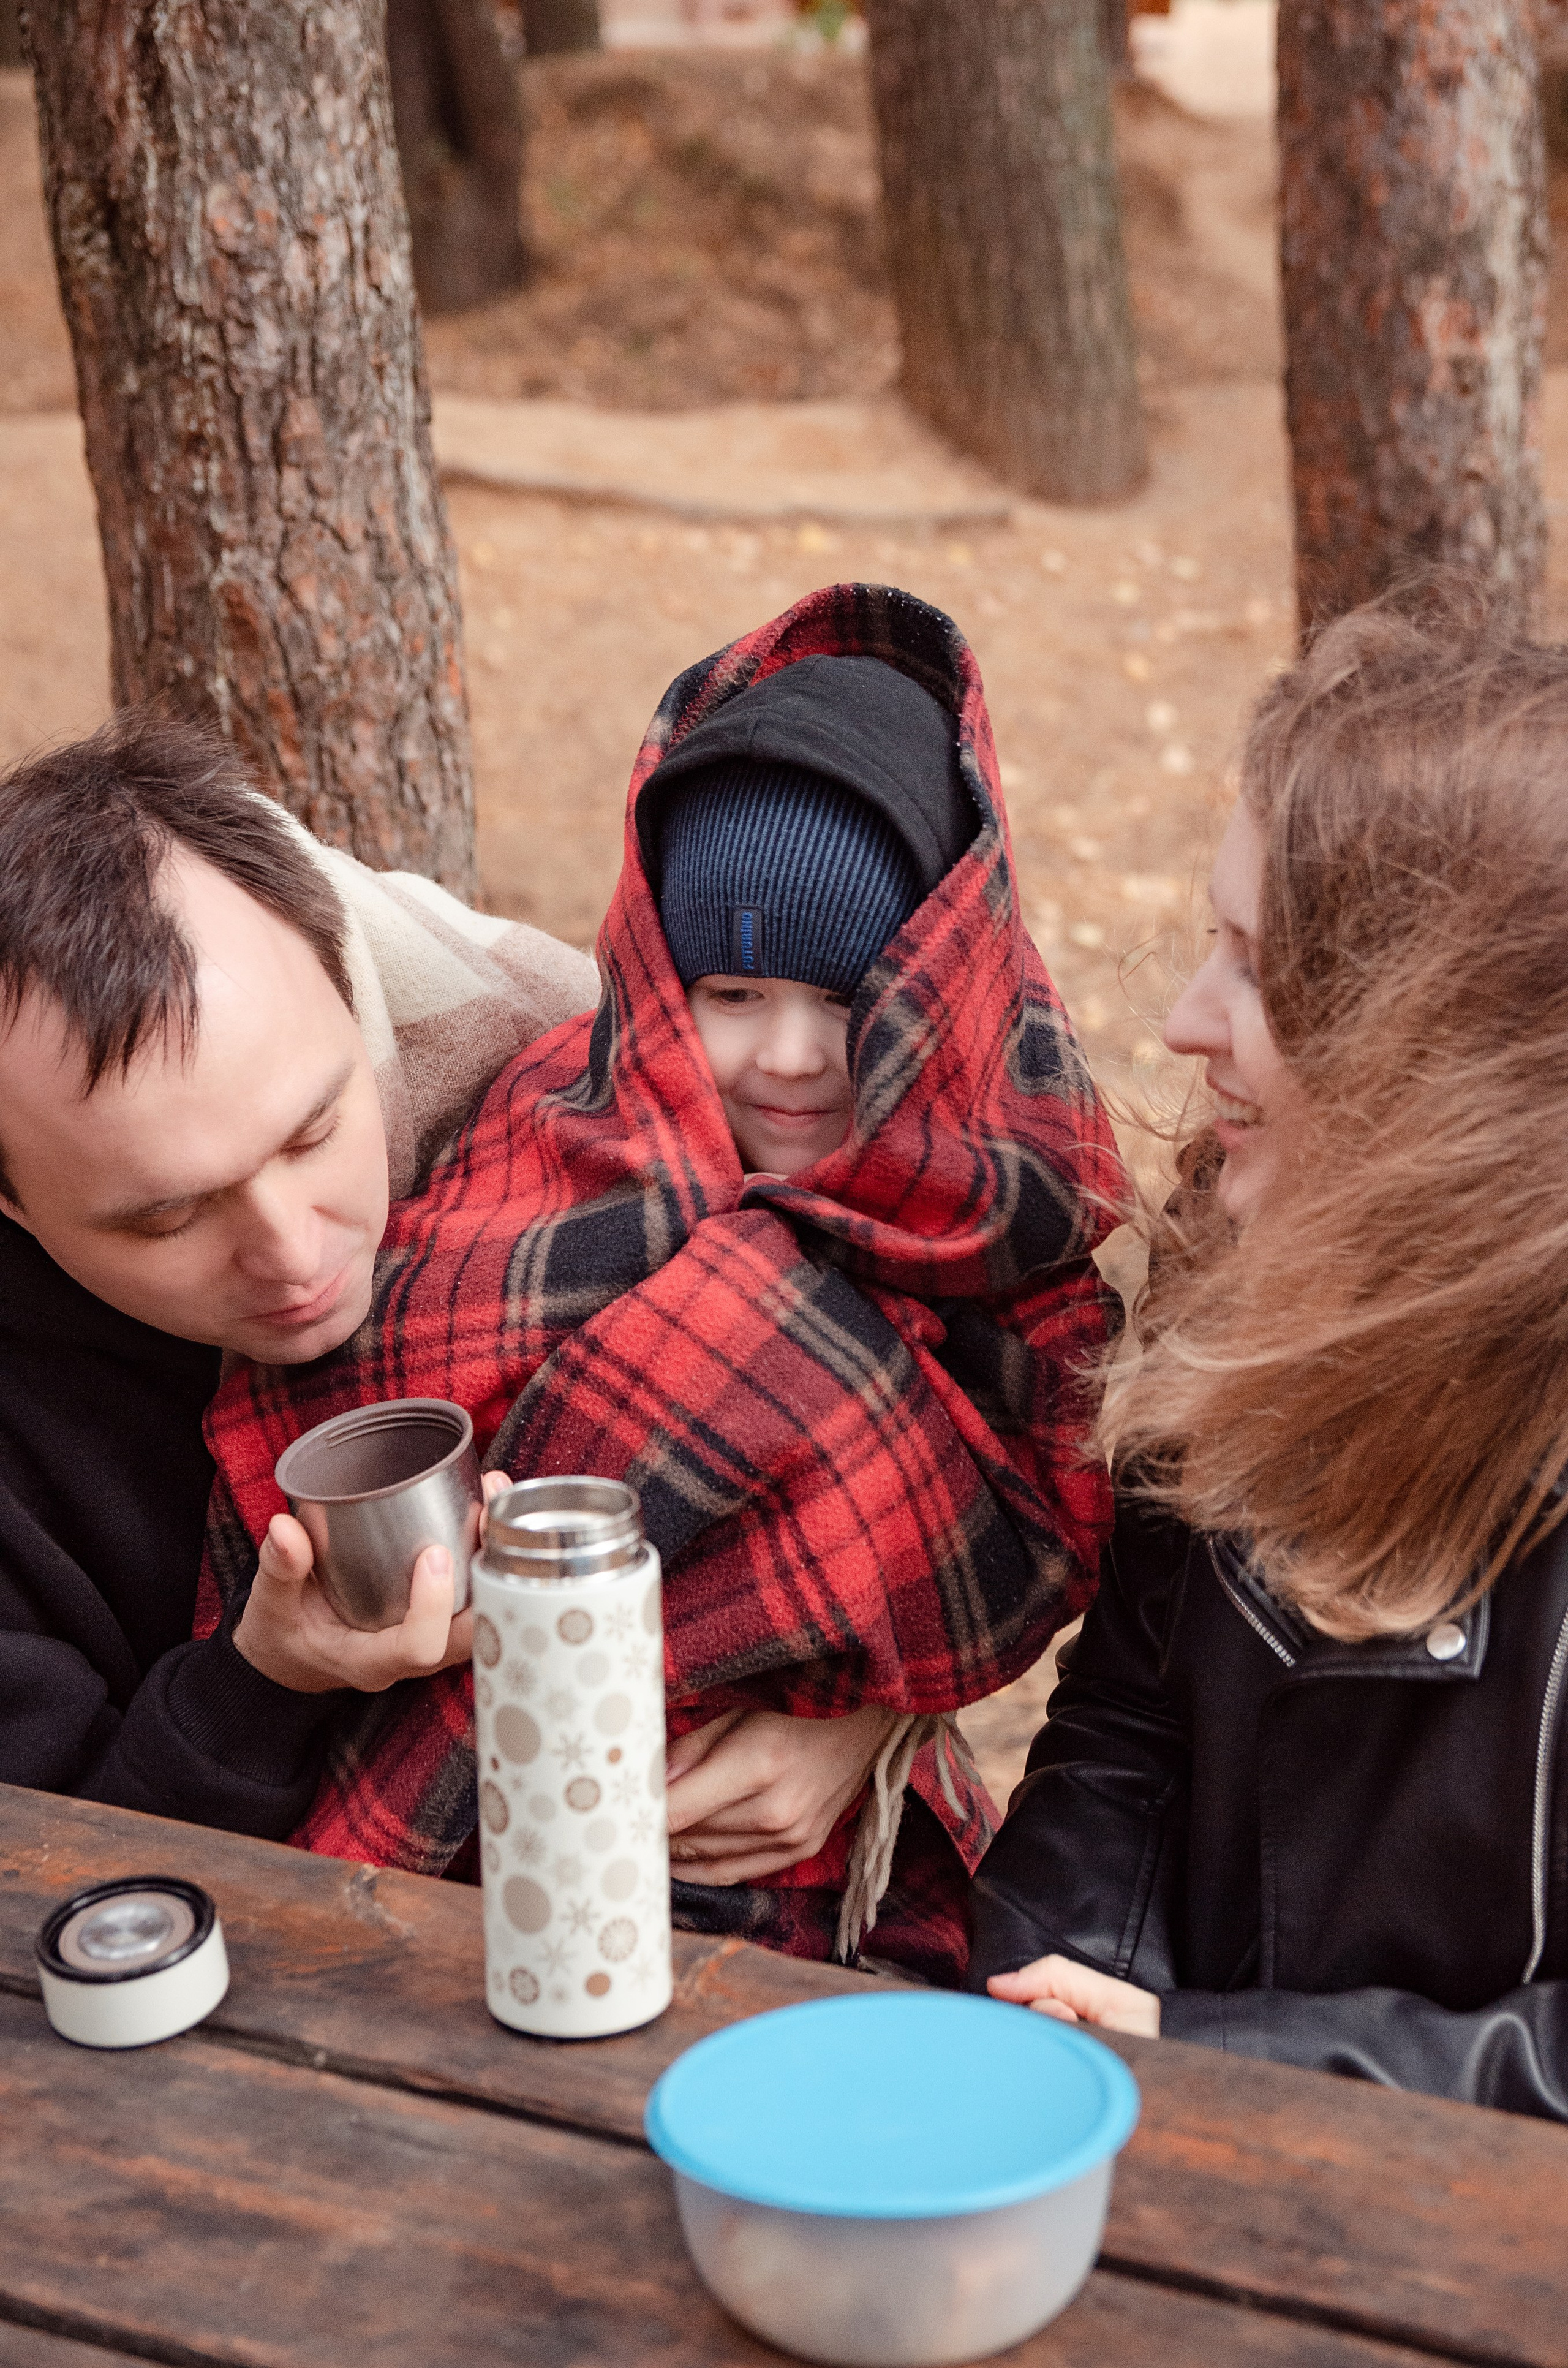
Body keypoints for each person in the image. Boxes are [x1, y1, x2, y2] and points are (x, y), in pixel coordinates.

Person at [201, 583, 1126, 1980]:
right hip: (468, 1847)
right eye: (733, 995)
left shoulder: (1008, 1187)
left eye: (849, 995)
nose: (795, 1057)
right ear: (657, 972)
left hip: (805, 1866)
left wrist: (865, 1723)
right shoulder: (544, 1127)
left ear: (942, 978)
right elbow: (346, 1409)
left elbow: (1049, 1520)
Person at [968, 594, 1568, 2119]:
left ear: (1435, 1056)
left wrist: (1213, 2068)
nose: (1179, 1020)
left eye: (1254, 968)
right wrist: (1042, 2002)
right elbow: (1125, 1718)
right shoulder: (1242, 1246)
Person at [0, 711, 598, 1833]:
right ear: (14, 1202)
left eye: (312, 1133)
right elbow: (47, 1887)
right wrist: (261, 1684)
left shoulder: (541, 1068)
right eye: (166, 1215)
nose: (291, 1251)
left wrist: (847, 1723)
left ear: (347, 984)